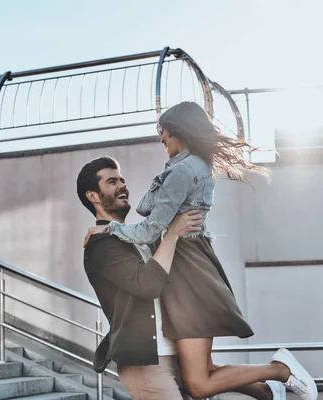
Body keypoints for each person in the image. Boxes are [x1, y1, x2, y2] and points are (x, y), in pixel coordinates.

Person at [84, 102, 318, 400]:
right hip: (185, 264)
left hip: (187, 266)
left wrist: (109, 228)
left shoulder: (183, 171)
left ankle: (279, 371)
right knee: (203, 371)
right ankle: (268, 392)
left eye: (161, 131)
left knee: (198, 384)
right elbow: (144, 207)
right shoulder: (181, 169)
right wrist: (162, 177)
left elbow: (149, 230)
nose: (160, 139)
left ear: (175, 130)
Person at [77, 156, 286, 400]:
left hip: (176, 355)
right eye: (112, 181)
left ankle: (267, 390)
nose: (122, 185)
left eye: (122, 179)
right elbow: (148, 284)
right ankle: (277, 373)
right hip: (146, 365)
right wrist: (172, 234)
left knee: (206, 380)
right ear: (93, 196)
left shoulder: (134, 237)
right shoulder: (101, 246)